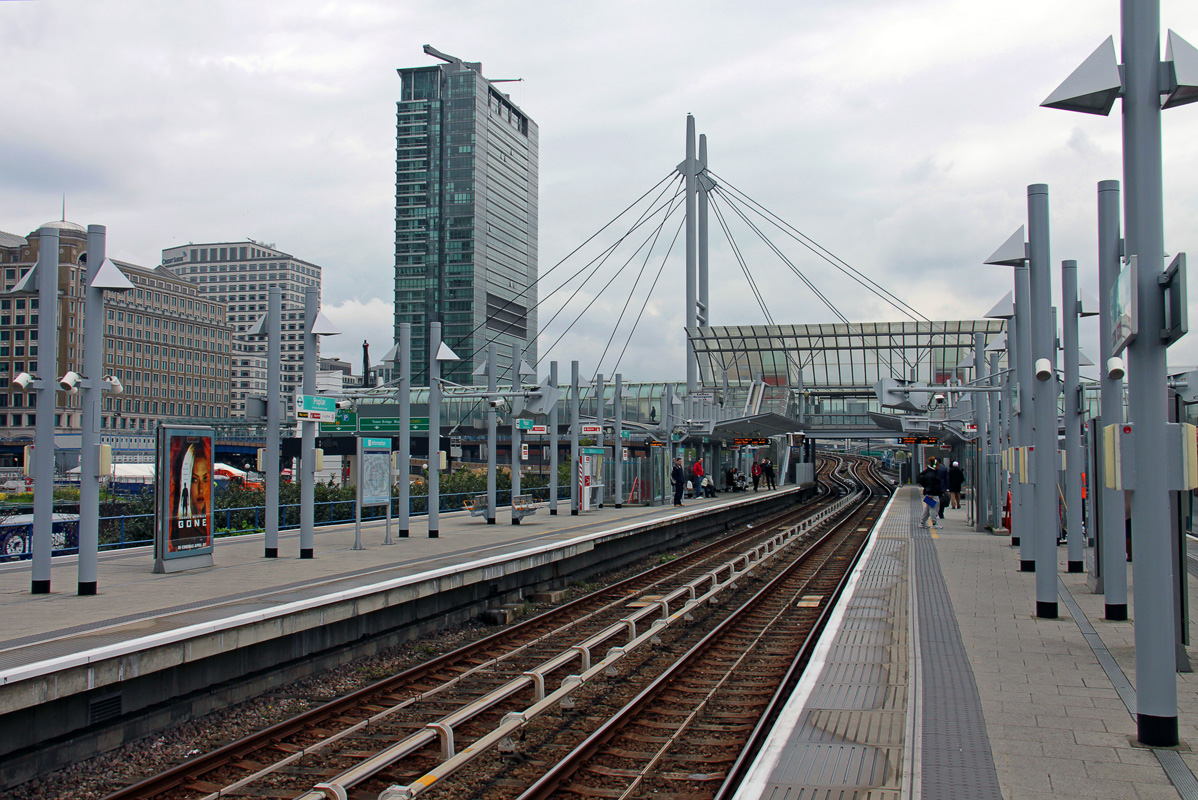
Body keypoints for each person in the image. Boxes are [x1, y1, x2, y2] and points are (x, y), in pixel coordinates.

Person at [917, 458, 942, 528]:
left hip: (929, 493)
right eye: (938, 465)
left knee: (927, 509)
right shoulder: (932, 474)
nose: (939, 467)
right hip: (932, 494)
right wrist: (930, 493)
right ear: (935, 465)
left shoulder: (927, 472)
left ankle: (922, 522)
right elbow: (931, 484)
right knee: (934, 508)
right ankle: (934, 523)